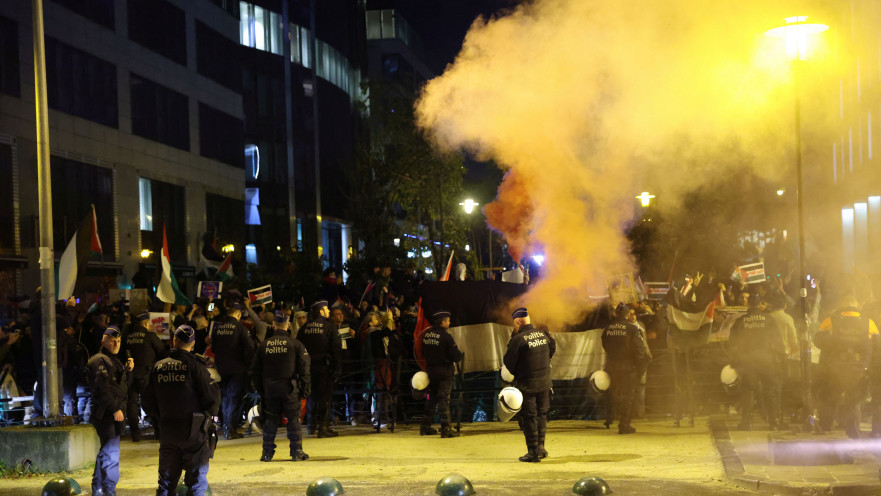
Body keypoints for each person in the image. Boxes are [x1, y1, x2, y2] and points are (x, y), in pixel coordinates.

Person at [143, 325, 221, 496]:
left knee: (166, 483)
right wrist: (206, 420)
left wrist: (160, 418)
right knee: (196, 483)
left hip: (168, 430)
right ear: (192, 344)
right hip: (194, 431)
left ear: (174, 341)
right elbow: (213, 399)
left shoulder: (158, 367)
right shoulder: (196, 366)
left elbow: (147, 401)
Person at [814, 296, 878, 438]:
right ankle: (853, 432)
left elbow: (817, 340)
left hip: (833, 368)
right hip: (859, 369)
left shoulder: (830, 320)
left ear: (842, 304)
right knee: (853, 400)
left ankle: (825, 428)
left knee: (829, 398)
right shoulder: (869, 322)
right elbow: (877, 345)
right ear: (856, 304)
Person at [251, 313, 311, 461]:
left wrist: (261, 390)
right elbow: (304, 368)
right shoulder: (295, 344)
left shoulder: (264, 345)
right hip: (289, 388)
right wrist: (305, 388)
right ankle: (296, 452)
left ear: (273, 326)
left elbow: (254, 371)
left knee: (270, 421)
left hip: (270, 389)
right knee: (293, 420)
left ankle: (267, 453)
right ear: (288, 326)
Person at [85, 325, 133, 496]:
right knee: (111, 454)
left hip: (112, 413)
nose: (116, 343)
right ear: (103, 341)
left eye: (118, 341)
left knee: (106, 451)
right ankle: (108, 490)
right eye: (112, 341)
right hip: (106, 413)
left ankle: (98, 488)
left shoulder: (113, 360)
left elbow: (118, 386)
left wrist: (127, 371)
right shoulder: (100, 360)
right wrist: (114, 409)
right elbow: (102, 388)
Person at [504, 307, 555, 462]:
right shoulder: (544, 334)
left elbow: (509, 364)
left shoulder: (518, 339)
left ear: (518, 321)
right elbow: (552, 351)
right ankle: (541, 448)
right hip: (545, 383)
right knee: (542, 415)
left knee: (530, 417)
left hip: (527, 385)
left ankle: (532, 452)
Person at [728, 293, 785, 431]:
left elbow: (733, 343)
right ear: (760, 304)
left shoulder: (741, 321)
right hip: (766, 359)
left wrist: (736, 361)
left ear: (748, 305)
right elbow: (778, 341)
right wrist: (780, 357)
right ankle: (773, 422)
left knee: (747, 390)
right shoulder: (769, 319)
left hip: (748, 361)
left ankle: (746, 423)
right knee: (769, 389)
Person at [601, 303, 650, 435]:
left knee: (614, 394)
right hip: (628, 368)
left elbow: (605, 345)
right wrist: (639, 367)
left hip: (612, 366)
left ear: (616, 314)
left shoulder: (607, 329)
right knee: (627, 396)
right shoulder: (632, 329)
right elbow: (639, 350)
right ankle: (624, 425)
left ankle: (611, 418)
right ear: (627, 314)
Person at [210, 302, 255, 439]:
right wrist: (247, 365)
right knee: (234, 398)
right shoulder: (240, 328)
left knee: (225, 397)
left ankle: (226, 428)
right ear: (239, 314)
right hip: (237, 368)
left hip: (222, 368)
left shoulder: (218, 328)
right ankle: (230, 430)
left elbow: (213, 348)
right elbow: (250, 348)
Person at [297, 300, 342, 437]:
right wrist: (338, 368)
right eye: (327, 309)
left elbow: (298, 348)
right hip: (324, 367)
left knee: (311, 396)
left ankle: (311, 425)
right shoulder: (330, 326)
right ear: (321, 312)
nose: (328, 311)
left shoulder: (304, 328)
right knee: (324, 397)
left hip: (308, 367)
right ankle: (323, 427)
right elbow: (336, 349)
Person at [121, 311, 165, 441]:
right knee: (152, 403)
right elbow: (162, 351)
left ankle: (135, 434)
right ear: (146, 323)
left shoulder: (128, 337)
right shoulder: (150, 336)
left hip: (131, 374)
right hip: (146, 375)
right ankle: (158, 432)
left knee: (132, 404)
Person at [420, 310, 463, 438]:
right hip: (444, 371)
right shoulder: (446, 337)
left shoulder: (426, 335)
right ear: (443, 323)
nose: (449, 323)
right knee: (443, 398)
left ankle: (425, 427)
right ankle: (445, 429)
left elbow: (422, 352)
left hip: (431, 371)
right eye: (448, 321)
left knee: (431, 398)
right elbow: (456, 356)